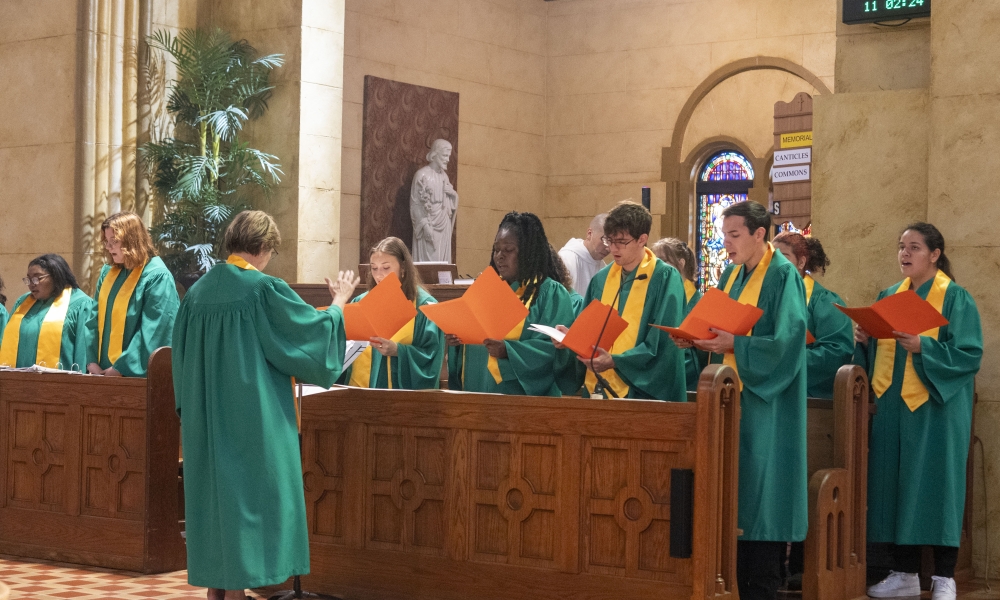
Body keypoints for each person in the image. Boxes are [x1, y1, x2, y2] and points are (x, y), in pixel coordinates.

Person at [173, 210, 360, 600]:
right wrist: (339, 303)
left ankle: (220, 591)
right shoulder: (261, 289)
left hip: (205, 421)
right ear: (262, 247)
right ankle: (237, 592)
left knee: (218, 504)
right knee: (256, 503)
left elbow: (180, 362)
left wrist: (191, 413)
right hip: (253, 421)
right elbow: (308, 335)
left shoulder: (197, 295)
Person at [671, 200, 807, 600]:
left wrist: (740, 345)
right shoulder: (731, 275)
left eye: (734, 235)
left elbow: (789, 341)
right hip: (730, 401)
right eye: (723, 234)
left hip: (766, 404)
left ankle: (763, 586)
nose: (726, 243)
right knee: (734, 493)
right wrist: (691, 336)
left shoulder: (783, 276)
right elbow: (711, 323)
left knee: (761, 497)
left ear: (759, 234)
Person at [857, 223, 981, 600]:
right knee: (897, 488)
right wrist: (864, 341)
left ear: (935, 254)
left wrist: (925, 347)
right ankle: (905, 572)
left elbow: (969, 354)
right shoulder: (888, 297)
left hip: (936, 410)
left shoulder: (956, 299)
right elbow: (875, 359)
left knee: (936, 487)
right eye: (901, 247)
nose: (905, 254)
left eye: (914, 247)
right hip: (894, 409)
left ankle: (944, 578)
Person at [562, 200, 687, 401]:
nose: (613, 248)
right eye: (609, 241)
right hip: (598, 388)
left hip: (642, 396)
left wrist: (617, 361)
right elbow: (589, 332)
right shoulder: (601, 280)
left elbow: (664, 344)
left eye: (621, 242)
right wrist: (570, 340)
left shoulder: (664, 278)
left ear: (642, 239)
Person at [447, 211, 576, 396]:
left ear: (528, 252)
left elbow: (554, 350)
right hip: (477, 394)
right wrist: (457, 341)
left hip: (521, 405)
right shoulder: (485, 291)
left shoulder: (549, 294)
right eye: (496, 249)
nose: (499, 256)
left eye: (508, 250)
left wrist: (509, 351)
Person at [339, 237, 445, 390]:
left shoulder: (424, 306)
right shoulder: (361, 301)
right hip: (357, 393)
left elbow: (431, 357)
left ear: (403, 268)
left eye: (386, 268)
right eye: (374, 268)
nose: (379, 275)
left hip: (398, 401)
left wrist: (398, 351)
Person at [88, 212, 179, 377]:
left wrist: (120, 368)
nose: (108, 247)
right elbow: (94, 318)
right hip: (99, 374)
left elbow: (155, 330)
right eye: (106, 242)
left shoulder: (156, 276)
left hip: (135, 378)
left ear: (132, 240)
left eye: (114, 241)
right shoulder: (108, 273)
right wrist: (91, 361)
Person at [772, 232, 854, 399]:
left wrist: (783, 360)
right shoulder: (766, 298)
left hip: (808, 395)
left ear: (801, 262)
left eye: (783, 256)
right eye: (771, 257)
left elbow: (837, 352)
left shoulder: (823, 301)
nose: (775, 263)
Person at [0, 254, 97, 370]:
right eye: (29, 279)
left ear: (56, 276)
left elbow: (83, 352)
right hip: (18, 382)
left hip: (58, 384)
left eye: (37, 278)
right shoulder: (23, 302)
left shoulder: (81, 304)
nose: (31, 284)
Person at [652, 237, 703, 391]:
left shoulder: (699, 303)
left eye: (662, 261)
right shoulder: (656, 295)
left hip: (688, 380)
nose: (656, 267)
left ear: (680, 263)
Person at [410, 139, 459, 262]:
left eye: (449, 156)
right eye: (445, 155)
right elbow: (415, 205)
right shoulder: (421, 175)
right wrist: (425, 226)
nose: (447, 159)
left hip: (443, 223)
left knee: (442, 261)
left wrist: (453, 195)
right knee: (428, 261)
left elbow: (449, 203)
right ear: (435, 154)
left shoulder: (444, 176)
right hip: (429, 224)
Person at [558, 212, 609, 297]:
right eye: (604, 240)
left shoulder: (604, 268)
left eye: (611, 241)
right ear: (589, 233)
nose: (608, 248)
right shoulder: (567, 259)